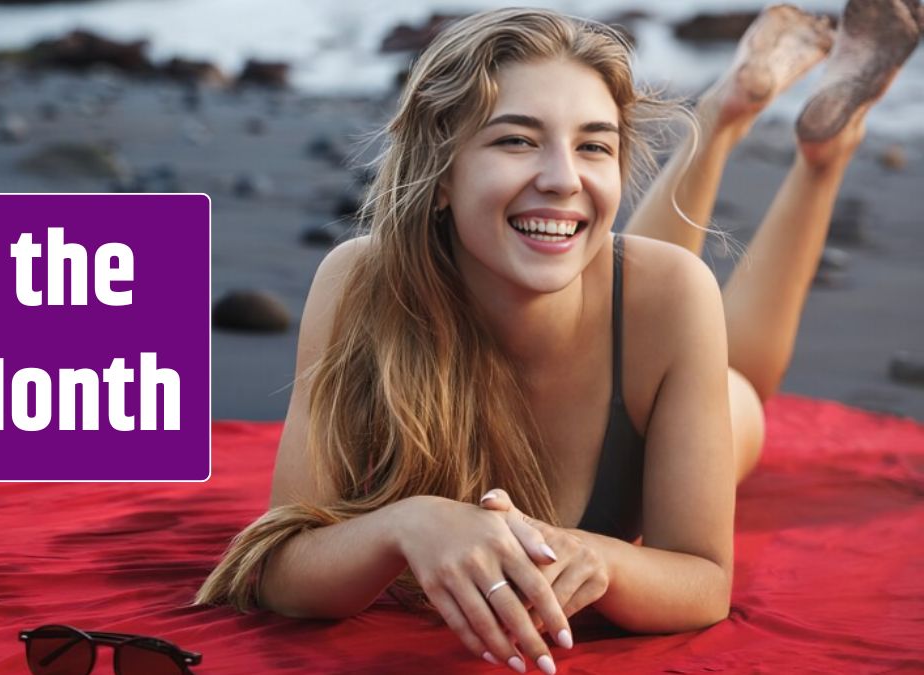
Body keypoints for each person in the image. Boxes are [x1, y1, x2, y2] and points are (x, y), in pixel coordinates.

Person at [196, 3, 922, 674]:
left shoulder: (672, 291)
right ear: (441, 171)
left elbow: (703, 581)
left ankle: (811, 149)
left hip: (647, 349)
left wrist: (599, 557)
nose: (561, 177)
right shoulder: (359, 282)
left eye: (594, 146)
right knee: (627, 283)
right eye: (516, 139)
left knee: (740, 391)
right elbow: (280, 566)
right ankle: (727, 111)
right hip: (626, 313)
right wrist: (409, 523)